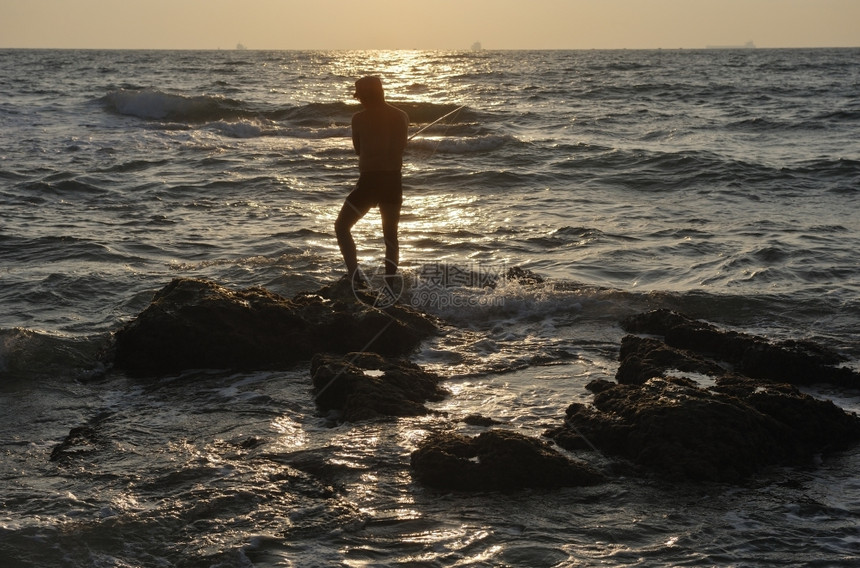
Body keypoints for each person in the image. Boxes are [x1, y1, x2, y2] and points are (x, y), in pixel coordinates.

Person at [335, 76, 409, 289]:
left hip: (369, 182)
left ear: (365, 96)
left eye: (360, 97)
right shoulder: (401, 116)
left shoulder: (358, 119)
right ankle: (391, 284)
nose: (359, 101)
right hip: (393, 181)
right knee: (390, 236)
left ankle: (355, 277)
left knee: (342, 226)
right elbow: (400, 146)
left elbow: (358, 149)